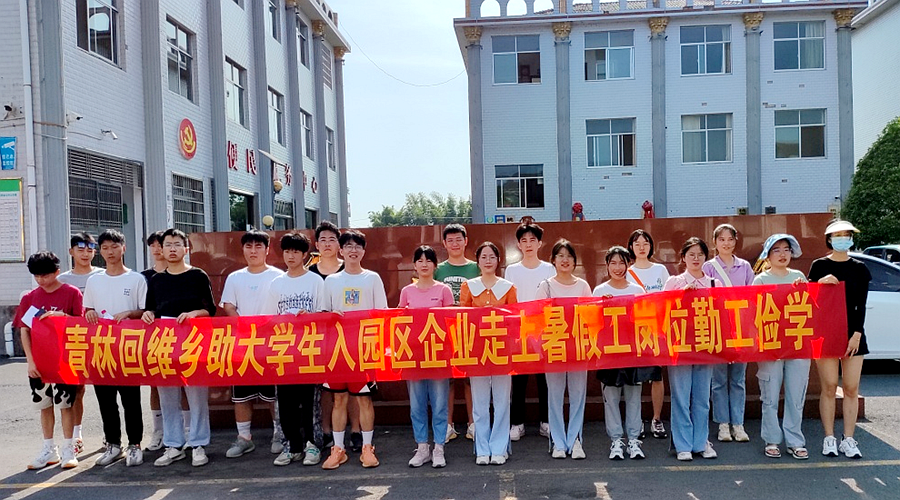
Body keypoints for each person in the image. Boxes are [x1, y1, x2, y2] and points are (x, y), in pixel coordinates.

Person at [142, 228, 217, 467]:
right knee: (168, 397)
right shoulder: (157, 280)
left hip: (194, 343)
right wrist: (148, 315)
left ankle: (198, 444)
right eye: (167, 245)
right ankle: (173, 444)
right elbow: (151, 308)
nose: (172, 249)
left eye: (177, 244)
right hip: (164, 345)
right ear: (161, 249)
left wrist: (195, 313)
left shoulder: (198, 276)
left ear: (186, 249)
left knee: (197, 396)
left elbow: (210, 310)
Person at [321, 230, 388, 470]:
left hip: (364, 349)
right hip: (337, 350)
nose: (353, 250)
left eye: (357, 246)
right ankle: (338, 449)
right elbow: (323, 314)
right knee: (339, 399)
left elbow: (382, 314)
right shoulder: (331, 281)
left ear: (363, 251)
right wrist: (330, 316)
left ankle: (367, 447)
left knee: (364, 399)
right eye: (348, 246)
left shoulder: (372, 278)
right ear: (341, 250)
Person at [83, 230, 148, 467]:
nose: (110, 252)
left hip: (128, 349)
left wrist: (130, 313)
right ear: (100, 251)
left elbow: (144, 311)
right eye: (105, 248)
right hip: (101, 349)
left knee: (131, 401)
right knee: (106, 401)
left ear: (123, 248)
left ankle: (135, 445)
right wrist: (89, 312)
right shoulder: (94, 280)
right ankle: (112, 444)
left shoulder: (136, 279)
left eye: (114, 246)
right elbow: (87, 309)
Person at [15, 251, 84, 470]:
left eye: (45, 275)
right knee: (44, 404)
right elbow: (24, 330)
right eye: (36, 276)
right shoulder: (29, 297)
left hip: (64, 360)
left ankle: (68, 448)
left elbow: (81, 323)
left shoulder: (71, 293)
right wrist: (30, 361)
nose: (41, 280)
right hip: (39, 362)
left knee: (66, 404)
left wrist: (63, 317)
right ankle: (48, 448)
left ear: (56, 272)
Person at [808, 220, 871, 459]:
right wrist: (819, 284)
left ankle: (849, 439)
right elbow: (807, 299)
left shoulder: (860, 268)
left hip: (853, 334)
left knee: (851, 388)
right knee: (829, 386)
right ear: (829, 239)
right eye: (838, 235)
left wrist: (857, 334)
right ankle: (829, 437)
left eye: (847, 235)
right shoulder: (819, 266)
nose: (843, 239)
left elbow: (861, 304)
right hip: (825, 333)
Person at [221, 230, 285, 459]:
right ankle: (244, 438)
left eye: (259, 246)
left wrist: (265, 330)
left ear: (267, 250)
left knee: (273, 395)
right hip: (242, 344)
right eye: (249, 246)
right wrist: (246, 329)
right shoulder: (235, 277)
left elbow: (283, 309)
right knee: (242, 395)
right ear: (243, 249)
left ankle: (279, 434)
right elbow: (228, 306)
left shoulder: (279, 277)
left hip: (271, 344)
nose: (253, 251)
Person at [263, 232, 325, 467]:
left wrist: (309, 317)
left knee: (310, 403)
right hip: (284, 351)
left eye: (296, 252)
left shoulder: (315, 281)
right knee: (286, 403)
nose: (291, 256)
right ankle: (292, 446)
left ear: (305, 254)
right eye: (287, 251)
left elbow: (323, 314)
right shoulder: (276, 283)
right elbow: (268, 318)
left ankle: (312, 445)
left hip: (309, 350)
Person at [753, 234, 810, 460]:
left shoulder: (799, 277)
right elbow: (752, 314)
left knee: (796, 395)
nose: (782, 254)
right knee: (770, 396)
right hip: (771, 345)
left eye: (786, 249)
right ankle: (771, 439)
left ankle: (795, 440)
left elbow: (811, 309)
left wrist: (806, 290)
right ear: (767, 255)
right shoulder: (760, 280)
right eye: (776, 250)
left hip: (797, 343)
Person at [460, 242, 517, 465]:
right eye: (483, 257)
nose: (488, 261)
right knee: (480, 402)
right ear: (477, 261)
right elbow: (462, 319)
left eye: (492, 257)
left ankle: (499, 447)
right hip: (477, 351)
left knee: (502, 401)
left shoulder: (508, 288)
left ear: (498, 260)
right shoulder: (469, 286)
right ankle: (482, 448)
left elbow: (514, 321)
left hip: (502, 351)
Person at [534, 239, 592, 459]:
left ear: (575, 261)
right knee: (555, 396)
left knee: (578, 395)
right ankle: (558, 442)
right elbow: (538, 318)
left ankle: (575, 439)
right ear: (553, 260)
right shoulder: (546, 286)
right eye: (560, 256)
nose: (565, 260)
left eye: (569, 256)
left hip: (578, 348)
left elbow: (591, 317)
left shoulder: (582, 286)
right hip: (554, 347)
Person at [398, 245, 455, 468]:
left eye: (428, 260)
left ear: (435, 265)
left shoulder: (444, 290)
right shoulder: (407, 291)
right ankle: (422, 447)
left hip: (438, 356)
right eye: (420, 260)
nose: (424, 264)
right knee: (417, 405)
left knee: (440, 404)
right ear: (414, 265)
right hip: (413, 356)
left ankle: (439, 447)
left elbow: (451, 322)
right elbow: (399, 322)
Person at [593, 246, 652, 460]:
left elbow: (646, 320)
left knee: (634, 397)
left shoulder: (637, 290)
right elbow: (592, 323)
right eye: (613, 263)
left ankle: (634, 439)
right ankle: (616, 440)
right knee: (611, 398)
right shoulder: (599, 291)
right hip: (609, 353)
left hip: (632, 352)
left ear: (628, 265)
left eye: (622, 263)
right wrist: (603, 306)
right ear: (607, 265)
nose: (618, 268)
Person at [664, 237, 719, 461]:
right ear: (683, 258)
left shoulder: (714, 284)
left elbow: (723, 313)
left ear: (706, 257)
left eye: (700, 254)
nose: (696, 259)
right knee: (681, 397)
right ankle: (682, 444)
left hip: (706, 346)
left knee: (702, 398)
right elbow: (662, 311)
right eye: (691, 254)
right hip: (680, 347)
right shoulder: (674, 282)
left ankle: (701, 442)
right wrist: (681, 296)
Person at [702, 224, 754, 444]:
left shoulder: (745, 266)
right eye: (721, 239)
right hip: (718, 329)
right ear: (715, 242)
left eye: (730, 239)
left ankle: (738, 424)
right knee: (719, 380)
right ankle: (723, 424)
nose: (726, 243)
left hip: (741, 330)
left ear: (735, 241)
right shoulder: (708, 267)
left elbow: (754, 296)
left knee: (738, 379)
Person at [309, 221, 356, 452]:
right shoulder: (310, 273)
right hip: (322, 340)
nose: (327, 244)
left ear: (340, 245)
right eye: (323, 240)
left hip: (352, 339)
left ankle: (356, 431)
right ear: (316, 245)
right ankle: (327, 431)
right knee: (326, 388)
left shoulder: (350, 268)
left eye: (332, 240)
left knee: (356, 387)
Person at [504, 222, 553, 442]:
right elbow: (509, 301)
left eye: (533, 240)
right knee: (519, 380)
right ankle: (517, 423)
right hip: (519, 330)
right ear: (518, 244)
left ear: (540, 243)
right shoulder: (512, 270)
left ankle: (546, 421)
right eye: (524, 240)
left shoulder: (549, 269)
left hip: (544, 331)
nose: (528, 244)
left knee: (545, 380)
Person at [140, 230, 187, 452]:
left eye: (164, 244)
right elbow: (145, 308)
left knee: (187, 385)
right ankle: (160, 432)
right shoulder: (146, 277)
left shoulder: (190, 274)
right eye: (156, 245)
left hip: (186, 340)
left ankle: (188, 431)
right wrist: (146, 314)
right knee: (158, 386)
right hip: (157, 341)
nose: (160, 249)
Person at [433, 223, 479, 442]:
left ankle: (473, 424)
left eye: (458, 239)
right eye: (450, 240)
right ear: (444, 243)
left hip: (470, 330)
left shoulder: (476, 267)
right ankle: (448, 425)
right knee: (447, 381)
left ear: (466, 241)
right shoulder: (438, 270)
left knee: (471, 380)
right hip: (444, 331)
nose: (455, 244)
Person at [57, 232, 102, 453]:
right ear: (71, 252)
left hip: (103, 341)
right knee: (76, 390)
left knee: (108, 389)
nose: (86, 254)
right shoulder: (62, 280)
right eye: (81, 249)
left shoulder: (103, 275)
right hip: (74, 342)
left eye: (90, 249)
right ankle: (77, 435)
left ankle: (110, 436)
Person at [625, 230, 669, 440]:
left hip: (656, 328)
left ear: (651, 246)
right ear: (631, 247)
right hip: (634, 330)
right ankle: (637, 421)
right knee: (635, 378)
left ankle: (656, 419)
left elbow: (668, 297)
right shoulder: (626, 271)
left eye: (645, 243)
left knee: (656, 376)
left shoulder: (660, 270)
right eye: (637, 243)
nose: (641, 247)